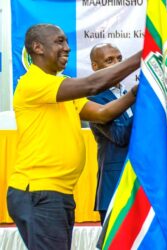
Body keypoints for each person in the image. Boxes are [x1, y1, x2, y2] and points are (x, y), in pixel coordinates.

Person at [6, 24, 141, 250]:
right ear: (37, 47)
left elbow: (102, 113)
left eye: (67, 42)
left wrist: (137, 92)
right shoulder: (34, 82)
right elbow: (93, 85)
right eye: (59, 41)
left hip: (57, 194)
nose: (67, 48)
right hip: (40, 192)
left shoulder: (61, 85)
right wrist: (141, 57)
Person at [88, 43, 134, 225]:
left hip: (141, 186)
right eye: (109, 60)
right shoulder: (93, 99)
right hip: (114, 188)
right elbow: (119, 136)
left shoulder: (127, 92)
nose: (117, 64)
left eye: (119, 59)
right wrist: (140, 103)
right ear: (95, 67)